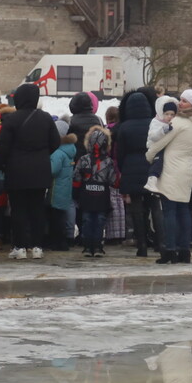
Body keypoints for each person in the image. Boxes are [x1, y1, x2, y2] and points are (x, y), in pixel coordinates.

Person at [0, 83, 60, 260]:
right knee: (37, 209)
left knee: (18, 209)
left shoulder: (11, 120)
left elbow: (2, 147)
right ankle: (37, 246)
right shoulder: (46, 118)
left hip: (17, 171)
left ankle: (20, 246)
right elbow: (55, 143)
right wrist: (41, 155)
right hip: (40, 171)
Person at [145, 93, 192, 264]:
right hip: (186, 168)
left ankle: (170, 250)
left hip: (171, 168)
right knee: (184, 209)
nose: (180, 103)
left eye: (184, 101)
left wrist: (149, 156)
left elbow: (159, 144)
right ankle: (185, 251)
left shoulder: (178, 122)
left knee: (169, 210)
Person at [113, 88, 158, 257]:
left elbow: (120, 154)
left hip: (132, 169)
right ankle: (160, 242)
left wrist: (124, 170)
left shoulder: (124, 127)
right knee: (155, 206)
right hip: (152, 166)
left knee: (137, 208)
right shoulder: (154, 124)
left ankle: (142, 245)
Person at [73, 122, 117, 256]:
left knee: (87, 220)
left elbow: (76, 177)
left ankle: (88, 246)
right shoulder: (108, 161)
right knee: (100, 220)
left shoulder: (83, 159)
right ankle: (97, 246)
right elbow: (113, 180)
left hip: (86, 195)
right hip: (102, 196)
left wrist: (76, 191)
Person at [47, 129, 78, 252]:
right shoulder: (70, 151)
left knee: (55, 218)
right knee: (62, 216)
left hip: (56, 188)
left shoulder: (58, 153)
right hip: (66, 187)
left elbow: (53, 170)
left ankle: (56, 243)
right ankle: (63, 241)